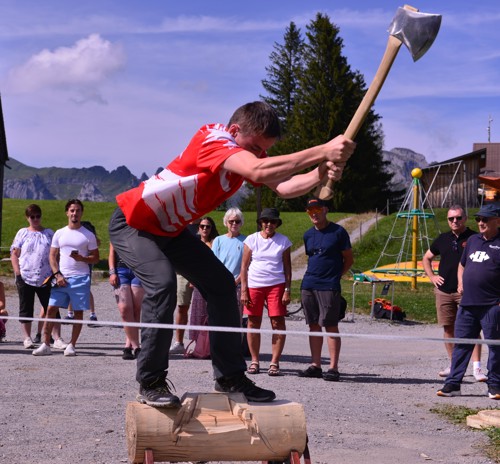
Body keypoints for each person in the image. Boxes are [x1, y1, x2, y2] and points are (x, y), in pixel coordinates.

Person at [109, 100, 355, 408]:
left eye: (263, 150)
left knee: (223, 285)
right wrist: (323, 150)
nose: (259, 154)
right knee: (162, 284)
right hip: (133, 222)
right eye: (254, 147)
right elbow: (257, 168)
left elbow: (285, 185)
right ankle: (151, 380)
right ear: (235, 131)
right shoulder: (213, 138)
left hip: (170, 230)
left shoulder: (247, 156)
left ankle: (229, 377)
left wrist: (321, 172)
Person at [437, 203, 500, 399]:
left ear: (497, 221)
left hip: (492, 304)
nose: (481, 222)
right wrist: (461, 282)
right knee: (461, 344)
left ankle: (495, 385)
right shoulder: (472, 240)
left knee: (495, 346)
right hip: (468, 304)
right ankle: (453, 384)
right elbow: (462, 264)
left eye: (485, 219)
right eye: (478, 219)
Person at [422, 205, 485, 381]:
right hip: (444, 291)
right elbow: (426, 258)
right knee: (448, 327)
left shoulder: (475, 238)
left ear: (465, 218)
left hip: (467, 292)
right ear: (448, 221)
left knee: (472, 328)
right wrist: (432, 276)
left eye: (458, 218)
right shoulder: (442, 239)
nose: (455, 221)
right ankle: (453, 364)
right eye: (451, 219)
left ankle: (477, 367)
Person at [33, 199, 99, 357]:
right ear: (67, 212)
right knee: (50, 309)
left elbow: (96, 258)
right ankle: (46, 344)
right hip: (61, 277)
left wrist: (82, 258)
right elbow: (52, 255)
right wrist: (57, 274)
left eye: (77, 210)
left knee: (78, 312)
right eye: (72, 210)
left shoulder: (88, 235)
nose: (75, 213)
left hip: (81, 277)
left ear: (81, 213)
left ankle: (72, 345)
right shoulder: (60, 233)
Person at [298, 198, 353, 381]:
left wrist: (336, 276)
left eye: (317, 209)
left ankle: (333, 367)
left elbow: (348, 259)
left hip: (329, 285)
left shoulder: (338, 232)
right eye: (310, 211)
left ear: (325, 210)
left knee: (330, 325)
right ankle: (316, 365)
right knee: (313, 325)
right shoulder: (307, 235)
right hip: (309, 284)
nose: (313, 213)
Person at [240, 207, 292, 376]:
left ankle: (274, 362)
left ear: (277, 224)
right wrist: (244, 290)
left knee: (277, 322)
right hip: (254, 285)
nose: (269, 224)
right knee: (253, 322)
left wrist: (287, 290)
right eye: (266, 221)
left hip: (276, 285)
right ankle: (254, 360)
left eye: (273, 221)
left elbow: (287, 268)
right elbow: (244, 266)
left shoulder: (283, 241)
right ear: (261, 223)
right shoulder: (251, 239)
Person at [10, 204, 66, 350]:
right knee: (25, 307)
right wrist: (18, 274)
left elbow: (56, 254)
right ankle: (27, 338)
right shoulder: (22, 233)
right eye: (32, 217)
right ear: (27, 218)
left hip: (46, 277)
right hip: (25, 276)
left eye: (38, 216)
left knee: (52, 307)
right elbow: (14, 254)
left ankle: (57, 338)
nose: (35, 219)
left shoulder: (49, 233)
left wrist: (57, 272)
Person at [169, 218, 201, 355]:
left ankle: (201, 344)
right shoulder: (180, 226)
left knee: (202, 309)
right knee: (182, 307)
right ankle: (179, 342)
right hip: (180, 272)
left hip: (199, 272)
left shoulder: (206, 226)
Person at [109, 243, 145, 360]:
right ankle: (136, 347)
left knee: (136, 308)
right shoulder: (117, 230)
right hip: (120, 271)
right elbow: (111, 254)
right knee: (124, 309)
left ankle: (130, 346)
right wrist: (112, 272)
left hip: (138, 270)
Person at [188, 216, 219, 349]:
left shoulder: (216, 243)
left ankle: (211, 344)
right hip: (197, 283)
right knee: (198, 313)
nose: (205, 229)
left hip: (212, 282)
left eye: (208, 226)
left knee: (211, 313)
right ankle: (198, 344)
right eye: (202, 226)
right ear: (198, 228)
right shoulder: (193, 242)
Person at [65, 219, 100, 326]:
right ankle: (71, 314)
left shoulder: (87, 233)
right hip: (73, 264)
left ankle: (92, 314)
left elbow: (95, 247)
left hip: (85, 264)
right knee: (70, 287)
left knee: (85, 288)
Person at [212, 208, 246, 315]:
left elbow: (247, 266)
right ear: (226, 223)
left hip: (238, 285)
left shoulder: (247, 241)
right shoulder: (218, 240)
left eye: (237, 221)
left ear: (241, 223)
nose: (234, 224)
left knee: (236, 316)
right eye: (231, 221)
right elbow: (214, 264)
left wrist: (236, 281)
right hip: (220, 284)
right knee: (219, 315)